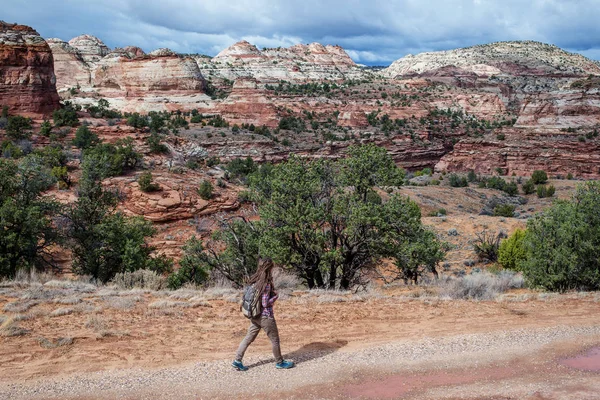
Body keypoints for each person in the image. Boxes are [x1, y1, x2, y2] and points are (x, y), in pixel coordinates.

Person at [232, 258, 295, 371]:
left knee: (248, 338)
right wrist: (275, 296)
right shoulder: (265, 283)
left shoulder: (254, 280)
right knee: (275, 340)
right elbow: (265, 303)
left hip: (254, 315)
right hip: (265, 316)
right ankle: (280, 362)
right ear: (269, 268)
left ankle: (237, 360)